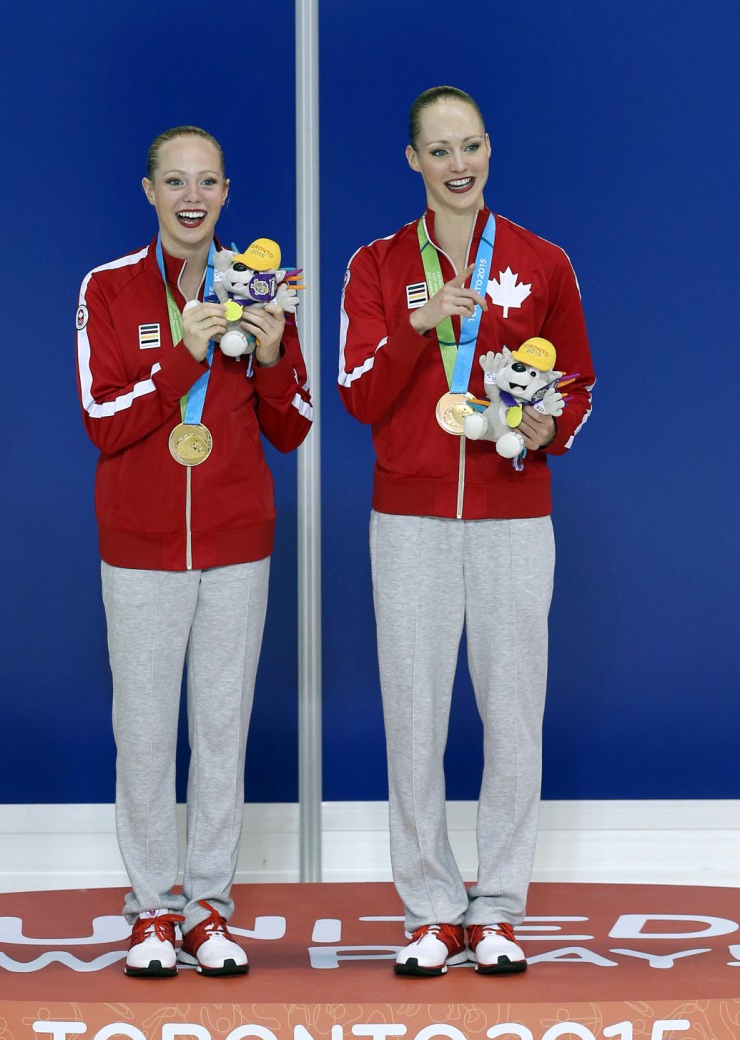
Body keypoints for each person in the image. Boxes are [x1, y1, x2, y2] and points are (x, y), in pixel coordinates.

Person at [338, 87, 594, 976]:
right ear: (413, 161)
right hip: (407, 516)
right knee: (413, 716)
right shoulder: (374, 266)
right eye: (440, 152)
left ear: (490, 150)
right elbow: (359, 394)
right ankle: (432, 907)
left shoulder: (541, 261)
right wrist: (420, 326)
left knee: (514, 717)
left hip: (514, 518)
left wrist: (544, 426)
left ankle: (498, 908)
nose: (459, 166)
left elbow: (581, 387)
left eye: (472, 146)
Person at [76, 125, 312, 977]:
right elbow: (103, 422)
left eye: (207, 182)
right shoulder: (107, 289)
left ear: (224, 193)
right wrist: (184, 354)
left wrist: (277, 348)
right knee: (143, 734)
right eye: (174, 181)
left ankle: (208, 907)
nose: (191, 197)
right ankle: (149, 911)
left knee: (220, 731)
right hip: (139, 550)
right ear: (149, 192)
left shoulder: (259, 285)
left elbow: (294, 428)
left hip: (237, 546)